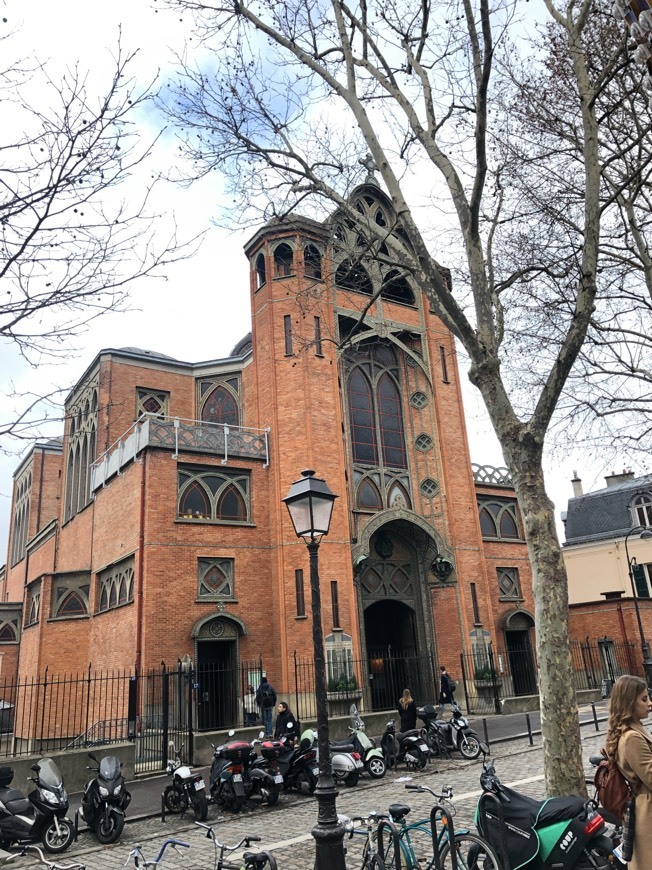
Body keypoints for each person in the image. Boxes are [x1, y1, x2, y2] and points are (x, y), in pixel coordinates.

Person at [606, 674, 652, 870]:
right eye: (644, 699)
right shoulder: (632, 737)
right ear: (629, 703)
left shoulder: (632, 730)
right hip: (647, 811)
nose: (649, 703)